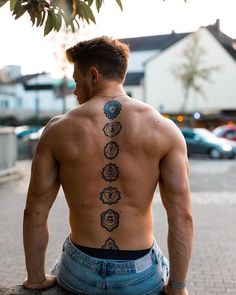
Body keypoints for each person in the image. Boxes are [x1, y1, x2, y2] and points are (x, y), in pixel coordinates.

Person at [23, 36, 193, 295]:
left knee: (64, 260)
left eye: (76, 80)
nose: (74, 90)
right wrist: (178, 288)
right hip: (139, 273)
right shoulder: (165, 130)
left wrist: (36, 278)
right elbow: (182, 215)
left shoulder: (57, 130)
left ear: (93, 75)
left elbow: (34, 212)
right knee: (159, 262)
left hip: (80, 272)